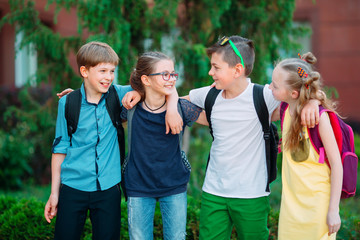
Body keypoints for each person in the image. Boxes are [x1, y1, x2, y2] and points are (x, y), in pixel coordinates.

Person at [185, 35, 320, 240]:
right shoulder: (208, 95)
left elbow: (299, 90)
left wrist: (312, 102)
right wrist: (169, 107)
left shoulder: (264, 96)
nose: (210, 72)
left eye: (216, 67)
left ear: (237, 70)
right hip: (214, 192)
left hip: (252, 195)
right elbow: (178, 102)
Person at [43, 41, 181, 240]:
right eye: (102, 71)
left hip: (108, 189)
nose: (108, 77)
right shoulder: (68, 103)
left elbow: (161, 86)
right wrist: (54, 194)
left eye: (112, 71)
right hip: (73, 187)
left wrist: (170, 105)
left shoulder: (119, 94)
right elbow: (60, 149)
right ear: (84, 71)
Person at [121, 51, 207, 240]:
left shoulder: (182, 108)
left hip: (174, 185)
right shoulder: (130, 106)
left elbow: (217, 118)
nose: (171, 79)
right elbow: (102, 98)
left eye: (173, 74)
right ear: (146, 79)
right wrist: (74, 96)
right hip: (138, 185)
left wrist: (173, 104)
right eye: (165, 74)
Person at [269, 52, 342, 239]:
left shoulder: (319, 118)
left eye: (275, 86)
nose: (269, 87)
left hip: (317, 209)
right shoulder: (285, 109)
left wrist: (334, 210)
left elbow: (337, 165)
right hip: (290, 211)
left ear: (293, 93)